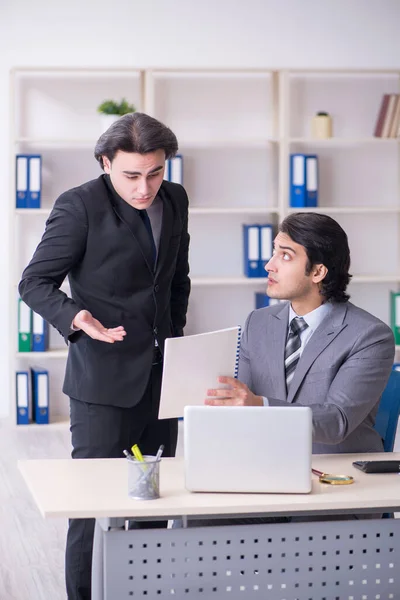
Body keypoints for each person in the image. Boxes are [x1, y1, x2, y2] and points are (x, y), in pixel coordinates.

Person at [18, 112, 191, 600]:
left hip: (163, 378)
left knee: (154, 502)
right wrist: (78, 318)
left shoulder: (174, 199)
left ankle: (145, 592)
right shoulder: (79, 206)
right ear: (105, 163)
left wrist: (176, 338)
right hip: (103, 380)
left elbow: (177, 276)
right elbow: (33, 283)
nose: (145, 188)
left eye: (155, 173)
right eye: (131, 175)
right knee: (93, 505)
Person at [206, 212, 394, 454]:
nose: (269, 265)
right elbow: (239, 399)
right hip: (266, 463)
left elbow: (337, 421)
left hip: (340, 473)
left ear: (317, 272)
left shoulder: (370, 336)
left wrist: (260, 405)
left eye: (285, 256)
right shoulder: (257, 322)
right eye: (274, 251)